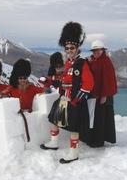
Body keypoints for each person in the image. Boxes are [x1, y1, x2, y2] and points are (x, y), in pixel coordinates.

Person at [40, 22, 94, 164]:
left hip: (75, 100)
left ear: (77, 48)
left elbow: (89, 85)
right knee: (54, 119)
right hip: (64, 98)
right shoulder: (68, 63)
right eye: (67, 48)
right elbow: (63, 80)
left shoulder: (82, 63)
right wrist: (49, 81)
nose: (69, 50)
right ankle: (54, 142)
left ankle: (74, 152)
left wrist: (76, 100)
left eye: (72, 47)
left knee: (73, 127)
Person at [87, 40, 117, 147]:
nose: (96, 52)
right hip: (96, 95)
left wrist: (104, 95)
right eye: (94, 50)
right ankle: (95, 139)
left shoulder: (105, 61)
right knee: (96, 118)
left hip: (103, 95)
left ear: (102, 50)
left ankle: (98, 141)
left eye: (98, 50)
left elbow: (108, 80)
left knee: (101, 119)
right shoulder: (94, 60)